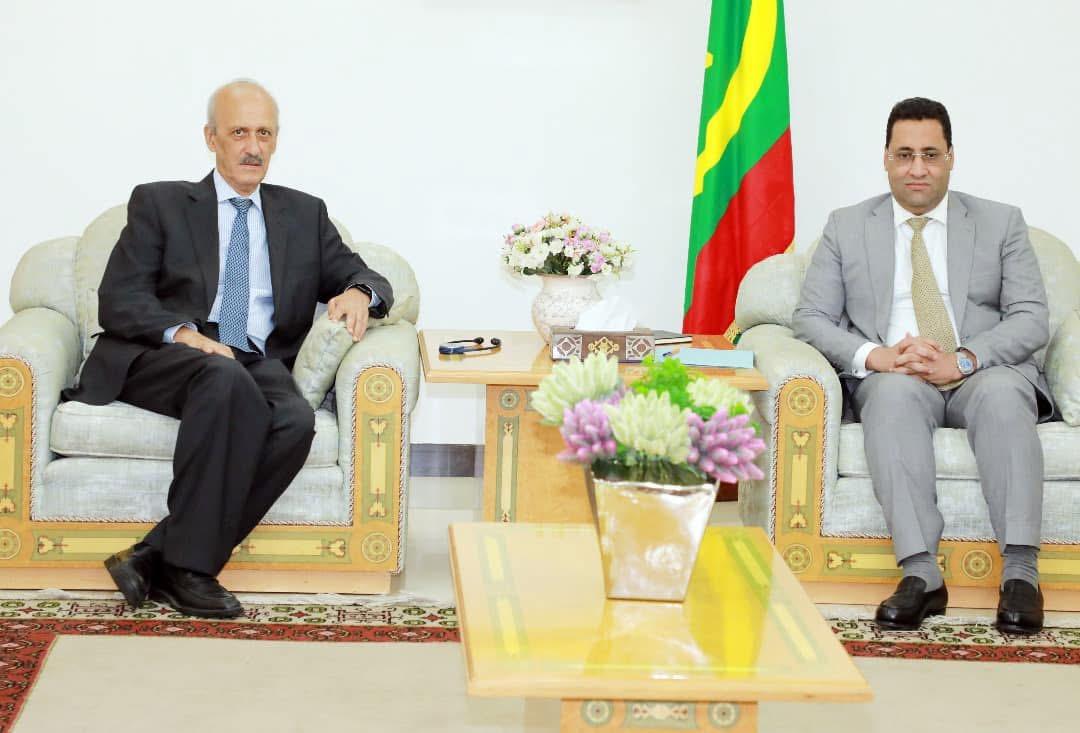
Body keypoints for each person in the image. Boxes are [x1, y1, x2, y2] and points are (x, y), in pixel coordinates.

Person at [65, 79, 393, 618]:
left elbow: (368, 275)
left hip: (252, 358)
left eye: (264, 133)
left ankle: (157, 556)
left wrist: (360, 291)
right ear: (211, 138)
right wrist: (184, 334)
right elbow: (119, 298)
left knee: (295, 420)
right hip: (164, 353)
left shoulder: (303, 214)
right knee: (220, 376)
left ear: (276, 140)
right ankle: (189, 571)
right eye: (239, 132)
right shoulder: (161, 203)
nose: (253, 147)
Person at [793, 97, 1052, 634]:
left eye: (930, 155)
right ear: (885, 158)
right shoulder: (846, 226)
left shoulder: (1001, 222)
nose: (917, 168)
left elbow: (1031, 318)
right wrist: (877, 356)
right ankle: (921, 575)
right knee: (888, 397)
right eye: (904, 154)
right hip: (898, 373)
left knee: (1004, 396)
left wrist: (963, 359)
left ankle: (1021, 576)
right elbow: (810, 318)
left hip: (980, 368)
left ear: (951, 157)